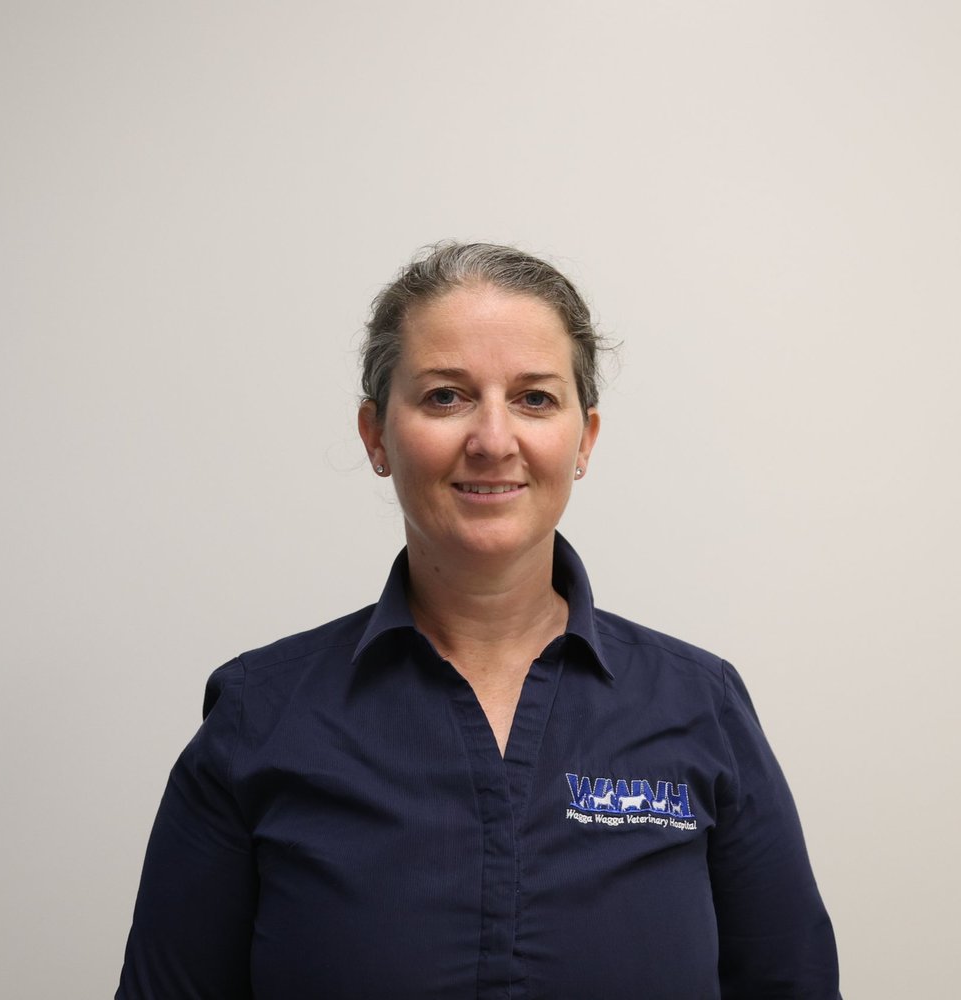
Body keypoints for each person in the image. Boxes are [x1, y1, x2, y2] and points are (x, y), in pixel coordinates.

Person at [116, 242, 841, 999]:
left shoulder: (700, 707)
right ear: (375, 436)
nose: (494, 441)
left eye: (534, 399)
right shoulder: (258, 718)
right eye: (445, 396)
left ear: (584, 439)